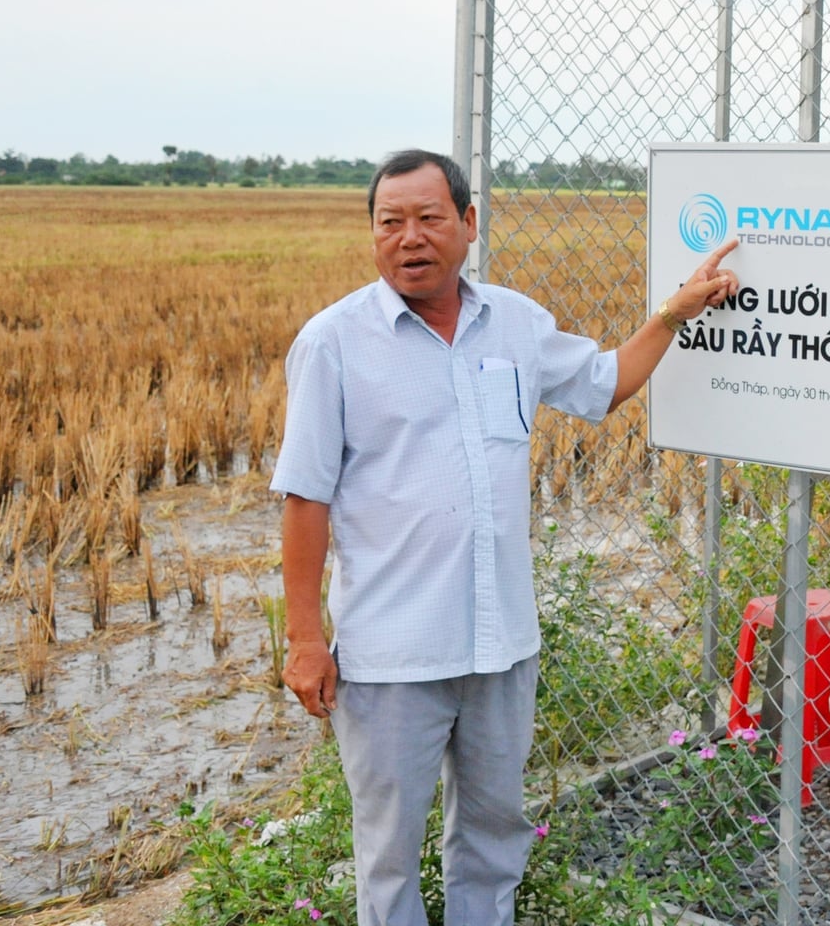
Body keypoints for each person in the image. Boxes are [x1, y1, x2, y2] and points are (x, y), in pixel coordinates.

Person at [273, 149, 738, 926]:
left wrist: (672, 314)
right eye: (390, 223)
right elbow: (305, 499)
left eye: (428, 219)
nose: (409, 238)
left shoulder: (515, 324)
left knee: (493, 839)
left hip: (501, 648)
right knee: (387, 856)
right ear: (373, 234)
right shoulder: (334, 343)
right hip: (393, 656)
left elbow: (605, 383)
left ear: (467, 223)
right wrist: (304, 639)